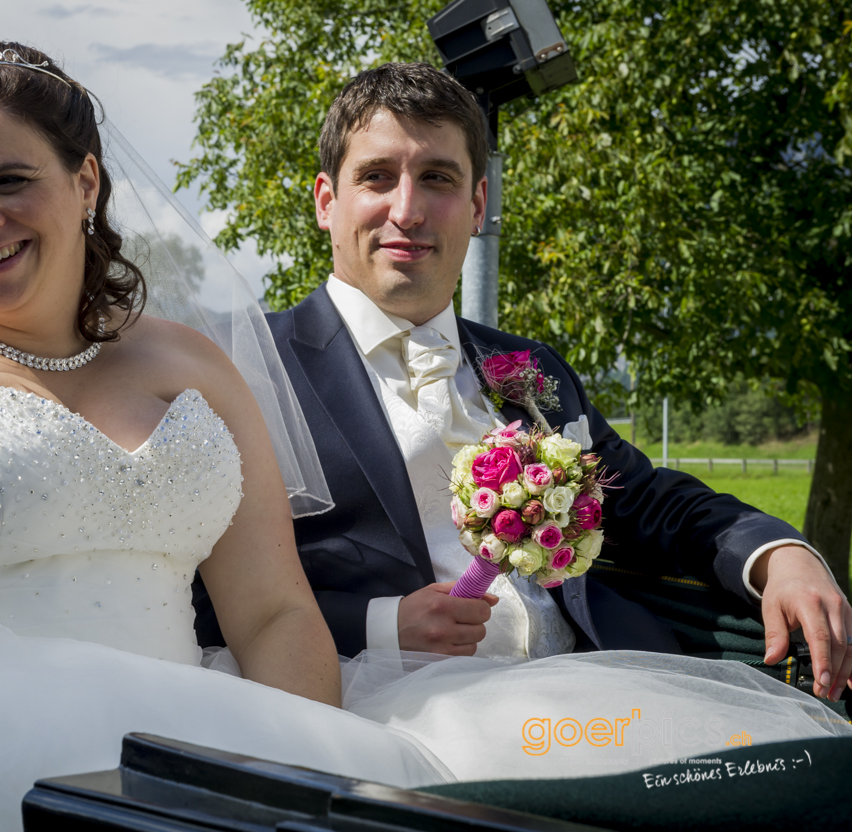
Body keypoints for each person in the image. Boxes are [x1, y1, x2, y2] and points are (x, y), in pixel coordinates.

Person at [0, 44, 848, 832]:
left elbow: (271, 609)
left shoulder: (191, 360)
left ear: (84, 183)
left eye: (8, 181)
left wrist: (310, 768)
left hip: (224, 718)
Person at [193, 62, 852, 702]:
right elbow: (183, 590)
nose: (408, 209)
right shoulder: (244, 368)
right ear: (325, 202)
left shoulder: (531, 369)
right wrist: (379, 625)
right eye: (376, 177)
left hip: (594, 687)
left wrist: (780, 555)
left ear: (478, 204)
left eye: (437, 178)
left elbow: (646, 499)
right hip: (379, 705)